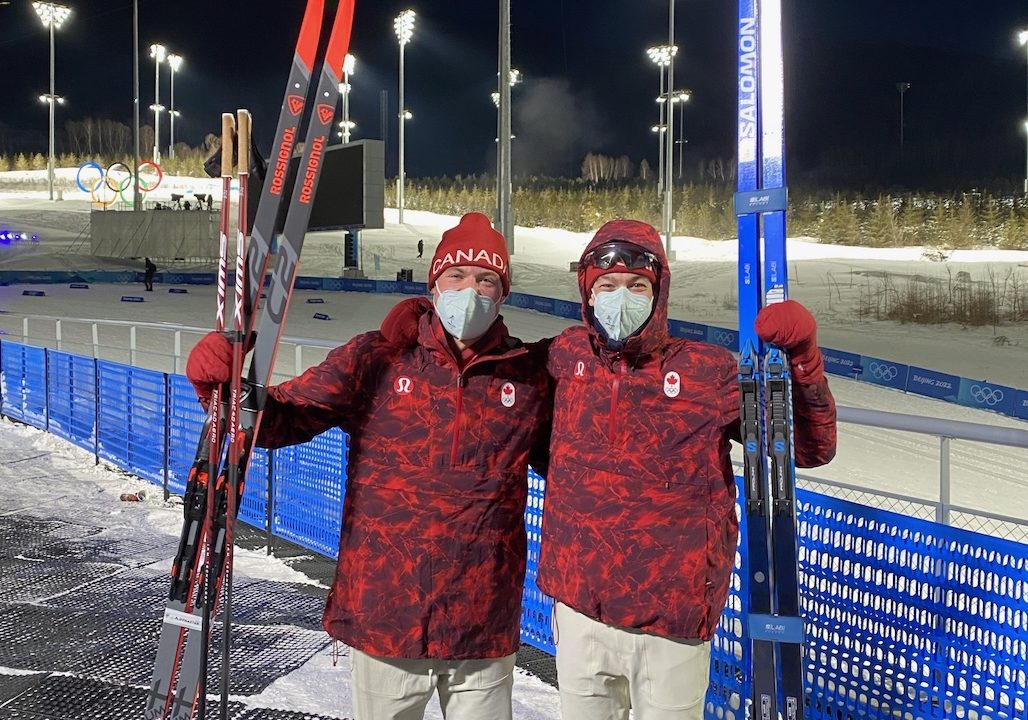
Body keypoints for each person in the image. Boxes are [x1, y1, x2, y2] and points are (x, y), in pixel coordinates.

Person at [185, 212, 553, 720]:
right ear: (435, 283)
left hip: (482, 620)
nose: (472, 290)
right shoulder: (377, 360)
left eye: (487, 279)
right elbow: (284, 420)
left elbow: (576, 462)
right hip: (386, 613)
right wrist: (225, 392)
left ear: (503, 292)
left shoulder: (529, 379)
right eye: (458, 276)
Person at [539, 219, 837, 720]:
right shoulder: (565, 357)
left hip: (670, 622)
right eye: (606, 287)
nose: (621, 298)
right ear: (587, 294)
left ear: (660, 292)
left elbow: (808, 447)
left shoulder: (708, 373)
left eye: (638, 286)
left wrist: (804, 359)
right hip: (580, 609)